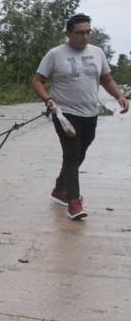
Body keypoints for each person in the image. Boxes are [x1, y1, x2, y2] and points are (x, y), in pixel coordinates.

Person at [32, 13, 128, 220]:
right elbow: (38, 80)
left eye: (87, 32)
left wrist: (119, 95)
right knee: (72, 154)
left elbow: (106, 79)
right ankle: (74, 202)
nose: (84, 36)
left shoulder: (97, 52)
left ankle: (59, 189)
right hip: (64, 113)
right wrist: (48, 99)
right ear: (68, 34)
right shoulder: (55, 54)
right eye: (79, 33)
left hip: (90, 113)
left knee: (78, 154)